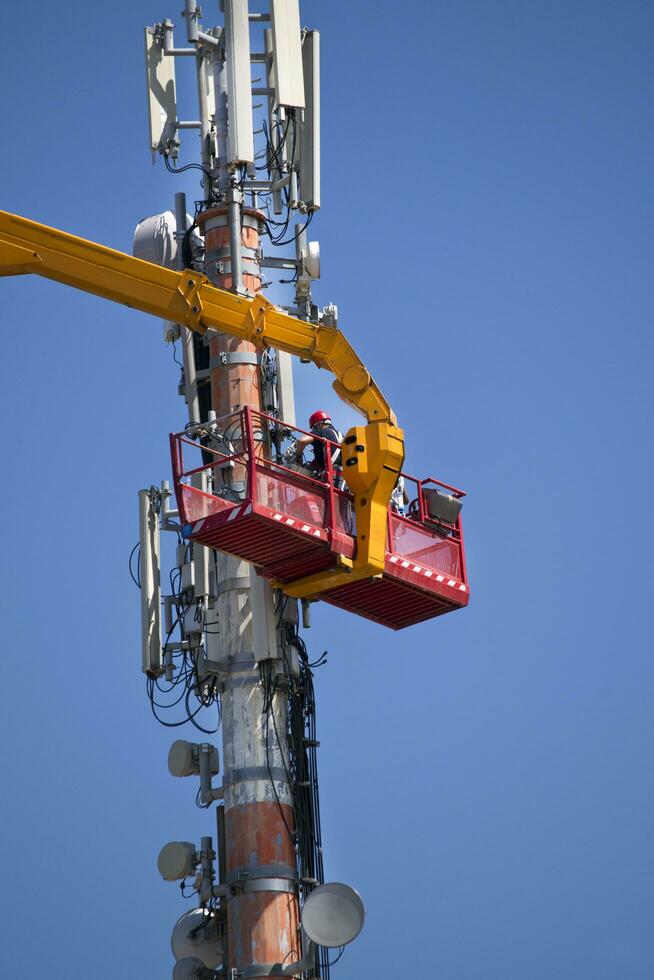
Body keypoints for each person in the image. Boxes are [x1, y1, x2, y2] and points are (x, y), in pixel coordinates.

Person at [295, 410, 344, 487]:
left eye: (313, 428)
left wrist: (298, 456)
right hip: (345, 480)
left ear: (319, 424)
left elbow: (301, 441)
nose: (313, 431)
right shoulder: (342, 437)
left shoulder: (321, 431)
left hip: (330, 478)